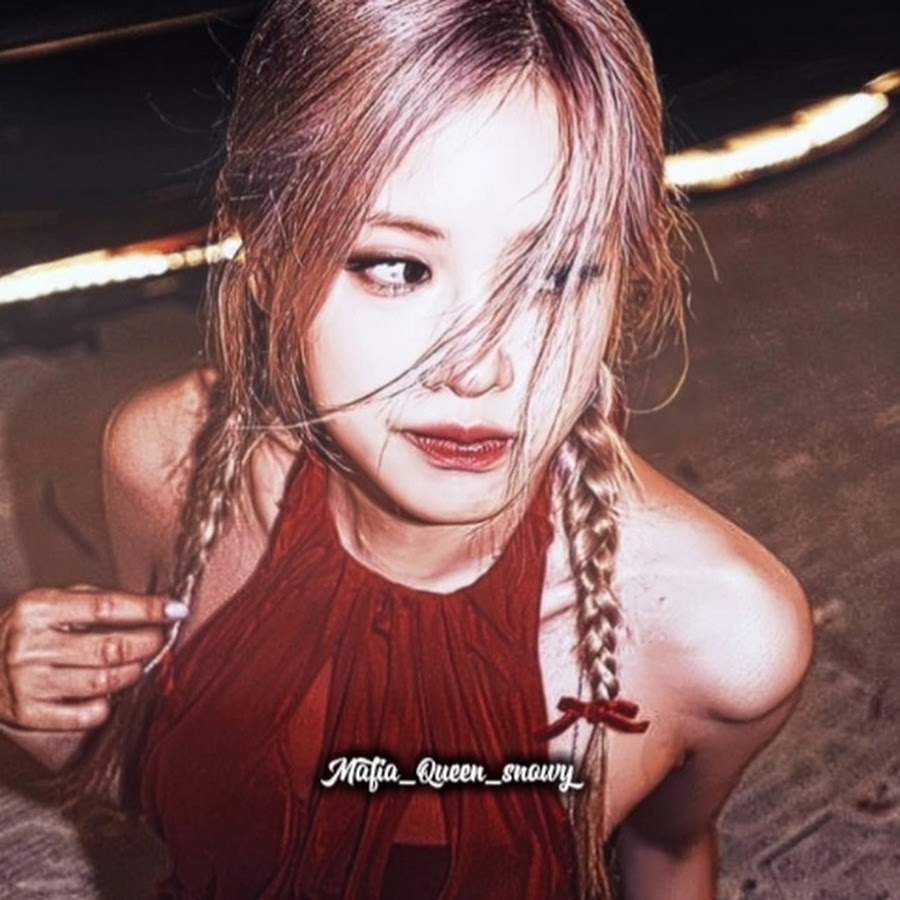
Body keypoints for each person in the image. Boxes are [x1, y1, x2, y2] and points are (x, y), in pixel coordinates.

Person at [0, 0, 814, 897]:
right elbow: (193, 793)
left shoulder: (721, 637)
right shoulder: (167, 461)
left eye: (556, 273)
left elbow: (668, 849)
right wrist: (45, 723)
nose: (480, 368)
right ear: (265, 256)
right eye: (399, 266)